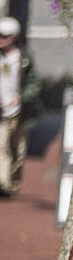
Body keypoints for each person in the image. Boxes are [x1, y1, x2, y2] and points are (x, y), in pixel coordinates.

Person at [0, 16, 29, 198]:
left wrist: (22, 96)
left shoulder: (23, 58)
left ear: (14, 37)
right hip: (1, 112)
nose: (1, 40)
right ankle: (4, 183)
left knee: (18, 151)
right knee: (1, 147)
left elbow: (33, 83)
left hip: (19, 112)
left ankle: (13, 182)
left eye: (4, 36)